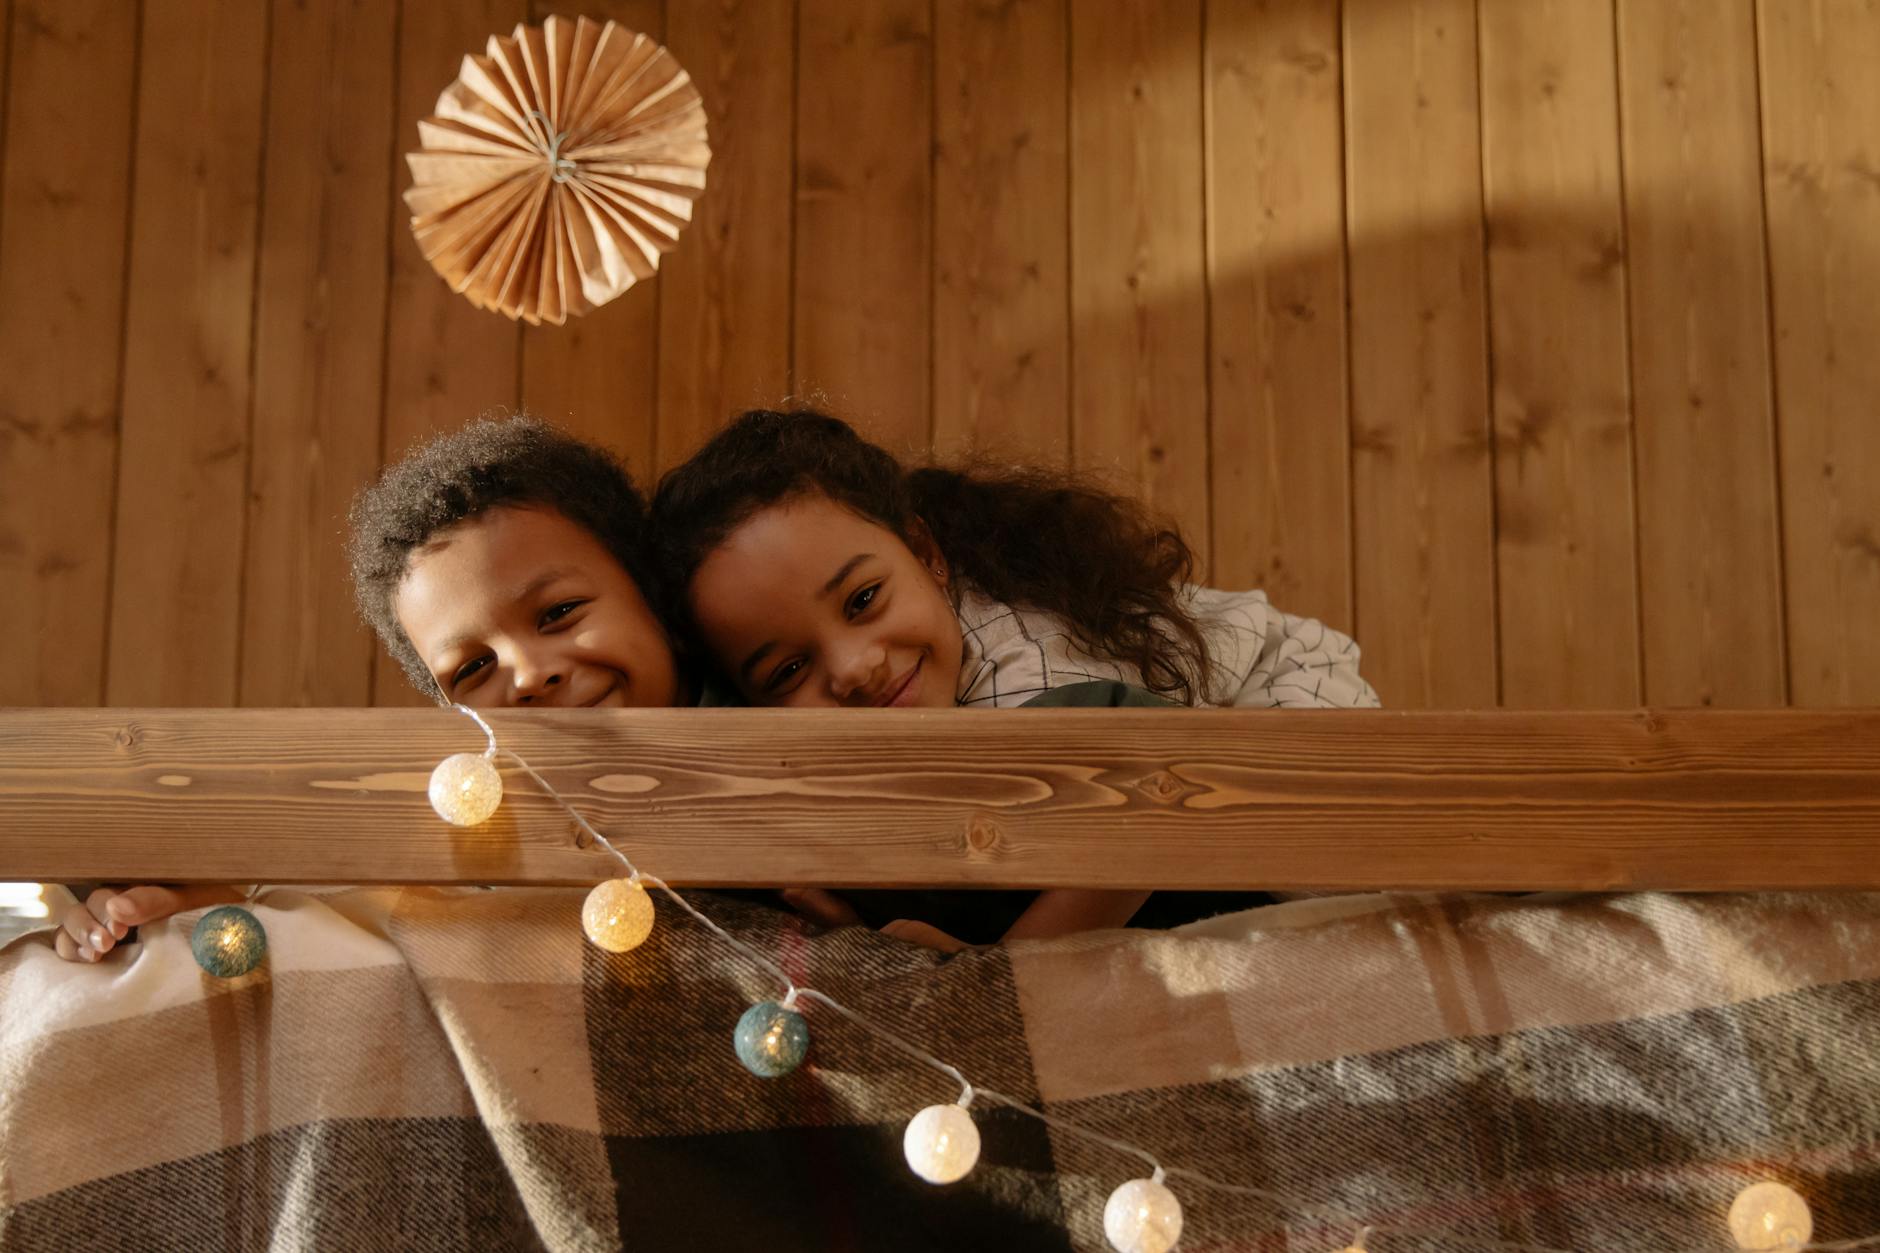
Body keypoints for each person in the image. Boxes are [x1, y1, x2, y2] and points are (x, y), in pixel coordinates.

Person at [649, 407, 1381, 944]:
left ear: (926, 555)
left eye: (864, 600)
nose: (855, 667)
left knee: (1329, 902)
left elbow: (1150, 793)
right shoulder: (862, 711)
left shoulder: (1026, 671)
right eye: (787, 669)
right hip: (1160, 766)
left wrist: (998, 969)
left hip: (1290, 698)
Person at [52, 415, 690, 963]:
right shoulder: (459, 878)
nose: (527, 674)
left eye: (558, 613)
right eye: (472, 670)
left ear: (651, 594)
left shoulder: (781, 773)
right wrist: (214, 916)